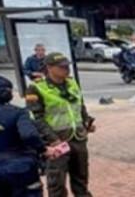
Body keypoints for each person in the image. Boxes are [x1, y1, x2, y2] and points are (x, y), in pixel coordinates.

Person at [26, 53, 94, 197]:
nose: (66, 69)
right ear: (49, 68)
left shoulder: (72, 82)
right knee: (56, 182)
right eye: (61, 67)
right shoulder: (37, 88)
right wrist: (52, 139)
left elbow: (79, 105)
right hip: (57, 141)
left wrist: (86, 121)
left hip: (78, 138)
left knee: (81, 178)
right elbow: (36, 117)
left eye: (67, 66)